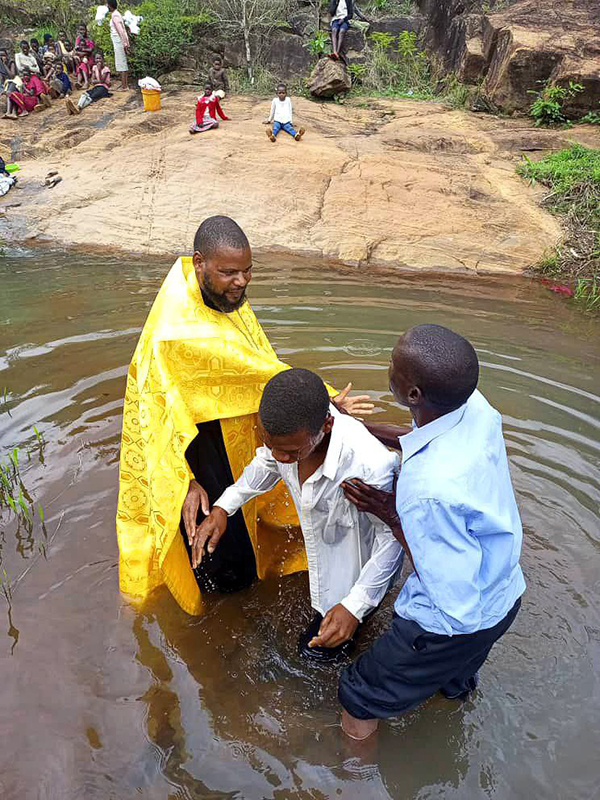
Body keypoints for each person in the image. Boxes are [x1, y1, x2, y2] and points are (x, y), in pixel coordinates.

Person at [116, 215, 372, 616]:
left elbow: (254, 363)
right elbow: (160, 412)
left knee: (247, 514)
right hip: (197, 447)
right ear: (199, 262)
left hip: (230, 427)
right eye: (229, 272)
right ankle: (225, 626)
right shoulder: (178, 332)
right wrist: (186, 480)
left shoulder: (214, 293)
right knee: (222, 558)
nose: (241, 282)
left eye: (248, 271)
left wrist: (315, 407)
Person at [338, 324, 526, 740]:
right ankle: (449, 720)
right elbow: (420, 438)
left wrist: (389, 511)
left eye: (393, 365)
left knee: (357, 694)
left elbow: (441, 582)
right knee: (452, 682)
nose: (388, 367)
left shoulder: (425, 492)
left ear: (414, 395)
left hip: (450, 623)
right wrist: (354, 429)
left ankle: (353, 780)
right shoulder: (474, 406)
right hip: (504, 596)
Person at [193, 368, 404, 660]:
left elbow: (392, 540)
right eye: (271, 444)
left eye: (292, 452)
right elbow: (265, 465)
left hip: (357, 579)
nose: (281, 457)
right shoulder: (288, 437)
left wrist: (355, 607)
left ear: (327, 425)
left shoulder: (371, 466)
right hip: (324, 564)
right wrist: (222, 507)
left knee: (317, 659)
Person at [107, 0, 130, 91]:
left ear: (110, 5)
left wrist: (125, 43)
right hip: (118, 41)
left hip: (119, 42)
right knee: (120, 62)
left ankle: (125, 86)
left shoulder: (115, 15)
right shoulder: (115, 14)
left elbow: (121, 31)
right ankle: (123, 85)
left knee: (122, 63)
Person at [74, 24, 95, 89]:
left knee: (82, 65)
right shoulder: (78, 39)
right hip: (81, 58)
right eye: (80, 30)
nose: (81, 31)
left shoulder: (89, 39)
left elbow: (91, 50)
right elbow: (76, 50)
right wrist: (83, 52)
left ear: (86, 30)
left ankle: (86, 82)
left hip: (89, 59)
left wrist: (82, 51)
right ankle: (79, 82)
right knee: (80, 64)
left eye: (83, 29)